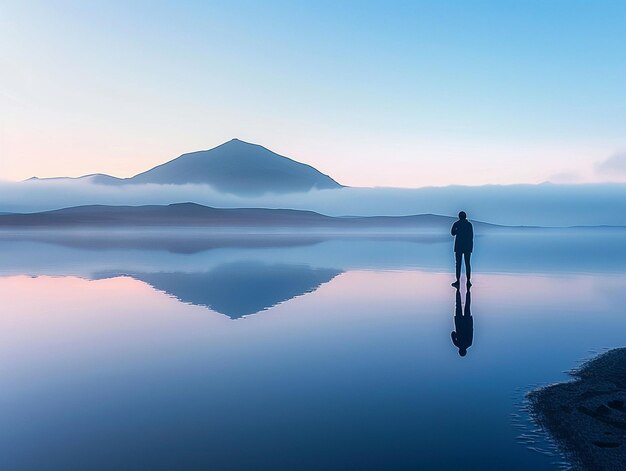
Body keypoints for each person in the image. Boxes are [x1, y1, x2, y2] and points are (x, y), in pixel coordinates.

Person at [450, 211, 473, 288]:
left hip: (459, 247)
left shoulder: (457, 224)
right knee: (467, 264)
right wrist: (471, 247)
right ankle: (468, 281)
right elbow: (471, 236)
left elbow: (452, 233)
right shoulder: (469, 225)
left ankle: (458, 281)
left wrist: (457, 230)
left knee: (458, 264)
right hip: (467, 247)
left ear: (459, 217)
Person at [451, 287, 473, 357]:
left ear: (465, 351)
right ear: (459, 351)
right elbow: (453, 333)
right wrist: (457, 335)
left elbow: (471, 331)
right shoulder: (457, 344)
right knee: (458, 305)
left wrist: (470, 321)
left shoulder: (469, 343)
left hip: (467, 322)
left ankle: (468, 290)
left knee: (467, 306)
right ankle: (458, 290)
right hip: (459, 322)